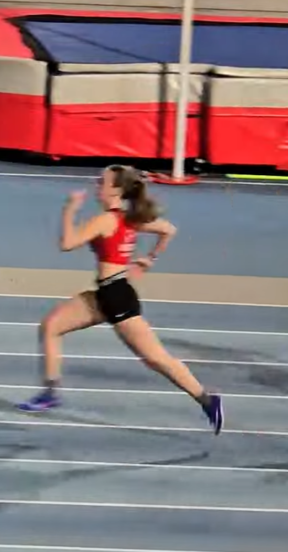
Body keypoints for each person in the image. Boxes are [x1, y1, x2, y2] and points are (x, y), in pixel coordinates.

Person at [15, 165, 224, 435]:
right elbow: (168, 230)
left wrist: (69, 209)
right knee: (51, 326)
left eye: (102, 181)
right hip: (105, 294)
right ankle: (50, 393)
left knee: (156, 359)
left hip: (118, 299)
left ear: (115, 190)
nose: (97, 184)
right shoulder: (128, 218)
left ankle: (207, 399)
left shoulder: (106, 220)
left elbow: (67, 243)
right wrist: (149, 259)